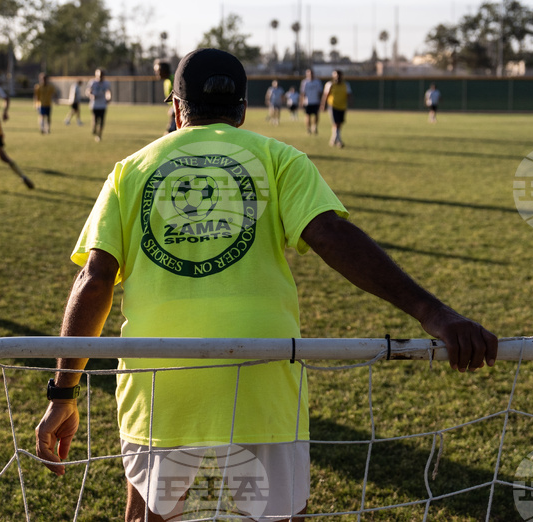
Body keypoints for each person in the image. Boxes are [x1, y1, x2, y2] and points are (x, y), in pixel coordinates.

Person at [34, 48, 497, 522]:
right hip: (262, 369)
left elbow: (95, 280)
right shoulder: (279, 158)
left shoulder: (130, 170)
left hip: (161, 381)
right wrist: (433, 312)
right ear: (243, 110)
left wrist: (63, 394)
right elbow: (332, 236)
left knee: (150, 517)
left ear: (176, 108)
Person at [321, 70, 352, 148]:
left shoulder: (346, 84)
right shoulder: (330, 84)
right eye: (336, 75)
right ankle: (338, 140)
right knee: (335, 123)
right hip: (333, 106)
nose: (337, 77)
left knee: (339, 123)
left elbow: (348, 94)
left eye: (339, 75)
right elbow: (326, 95)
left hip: (342, 106)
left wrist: (350, 101)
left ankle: (333, 139)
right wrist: (323, 105)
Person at [86, 68, 112, 142]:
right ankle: (94, 129)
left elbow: (108, 91)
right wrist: (91, 95)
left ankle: (99, 135)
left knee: (101, 122)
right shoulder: (92, 82)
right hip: (94, 105)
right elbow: (88, 91)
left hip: (103, 105)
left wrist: (109, 98)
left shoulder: (106, 83)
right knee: (95, 120)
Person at [299, 68, 324, 135]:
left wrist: (321, 102)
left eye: (311, 73)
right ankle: (308, 129)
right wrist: (302, 101)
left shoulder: (317, 82)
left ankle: (314, 127)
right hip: (307, 102)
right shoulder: (304, 82)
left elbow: (320, 92)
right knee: (308, 115)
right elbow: (303, 93)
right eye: (309, 73)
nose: (310, 75)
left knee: (316, 115)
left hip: (316, 101)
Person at [156, 60, 176, 134]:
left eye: (158, 71)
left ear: (164, 70)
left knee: (169, 134)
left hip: (179, 113)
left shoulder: (174, 80)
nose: (157, 73)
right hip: (174, 112)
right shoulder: (166, 81)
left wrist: (173, 110)